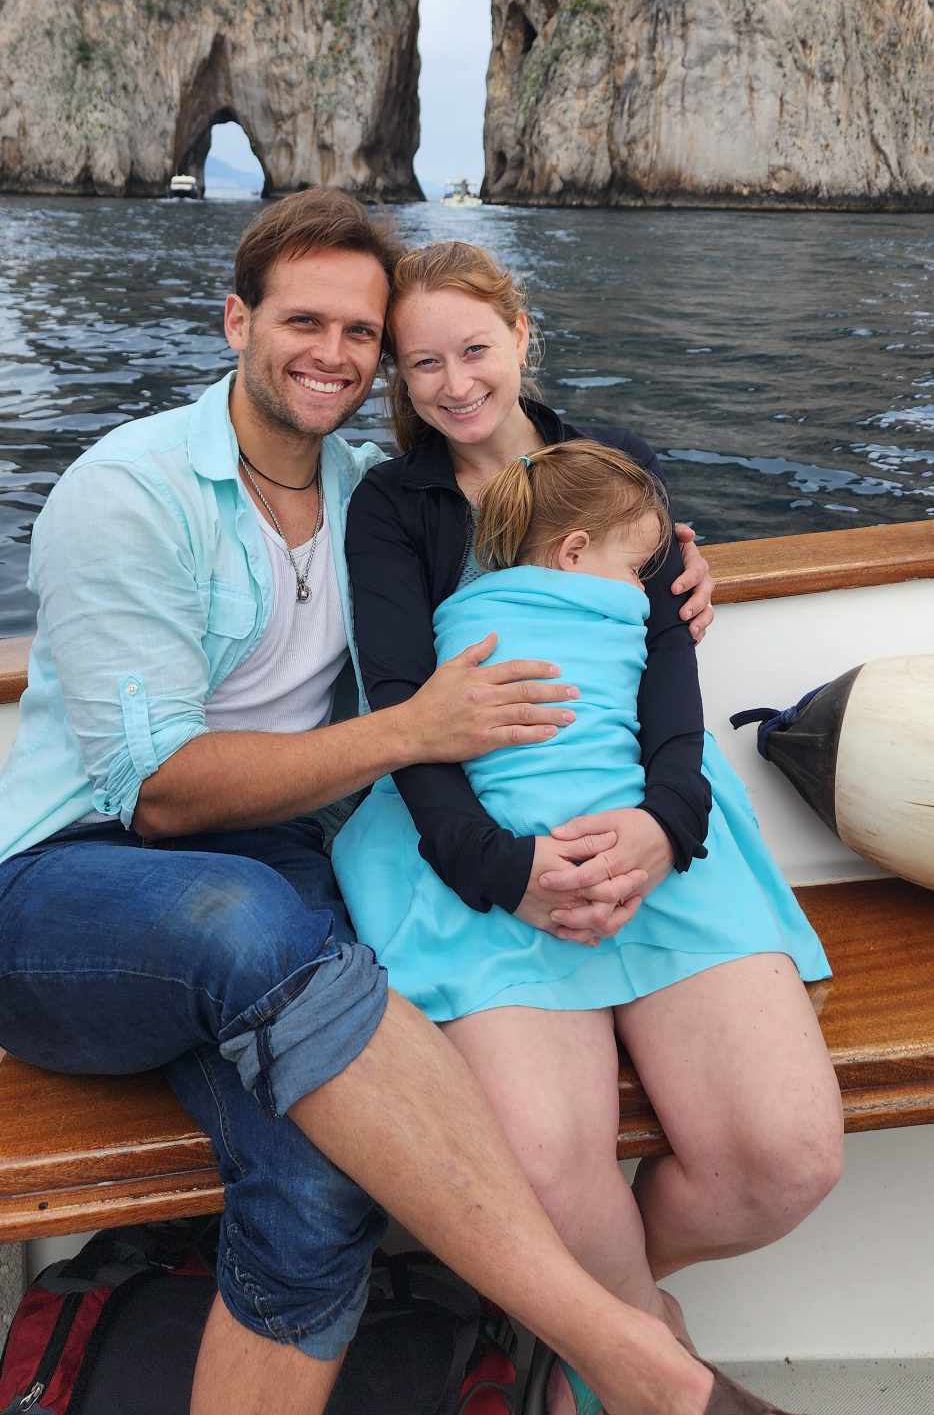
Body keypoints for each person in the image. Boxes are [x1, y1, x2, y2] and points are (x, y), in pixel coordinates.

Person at [0, 189, 759, 1415]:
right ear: (235, 319)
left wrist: (660, 557)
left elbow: (542, 534)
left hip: (284, 868)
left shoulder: (374, 490)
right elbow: (162, 797)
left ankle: (585, 1345)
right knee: (245, 919)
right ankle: (627, 1354)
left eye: (362, 333)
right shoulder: (131, 487)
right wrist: (409, 729)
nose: (335, 354)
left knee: (316, 1179)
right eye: (305, 320)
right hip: (70, 884)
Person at [339, 240, 844, 1415]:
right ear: (399, 383)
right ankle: (647, 1367)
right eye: (423, 364)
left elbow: (668, 676)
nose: (455, 382)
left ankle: (580, 1331)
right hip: (473, 840)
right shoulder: (391, 508)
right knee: (548, 1163)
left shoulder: (621, 478)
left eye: (474, 348)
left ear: (522, 334)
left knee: (786, 1157)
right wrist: (497, 868)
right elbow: (402, 711)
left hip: (646, 815)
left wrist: (669, 825)